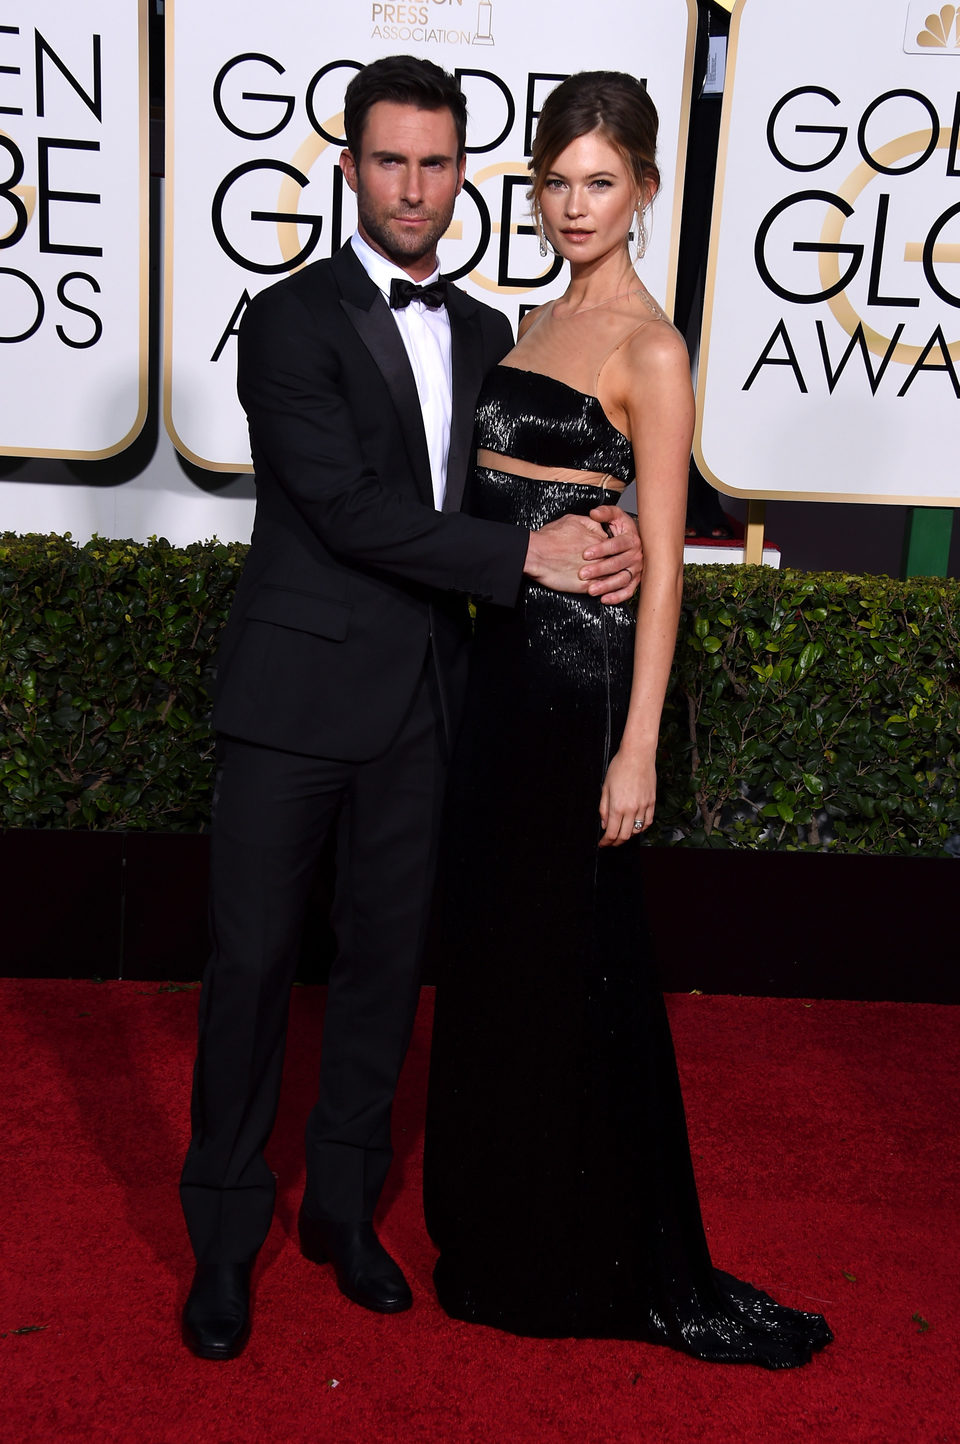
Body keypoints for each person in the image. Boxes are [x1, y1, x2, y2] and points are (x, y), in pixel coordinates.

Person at [178, 55, 643, 1362]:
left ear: (459, 176)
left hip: (429, 703)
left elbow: (522, 494)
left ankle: (342, 1211)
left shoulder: (494, 331)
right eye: (392, 161)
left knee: (387, 976)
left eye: (437, 164)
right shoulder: (286, 320)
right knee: (254, 973)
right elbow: (344, 509)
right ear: (350, 167)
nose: (414, 187)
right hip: (290, 700)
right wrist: (523, 564)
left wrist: (616, 540)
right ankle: (222, 1241)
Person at [423, 70, 833, 1368]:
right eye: (555, 181)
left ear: (646, 191)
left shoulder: (653, 351)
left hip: (583, 693)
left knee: (572, 969)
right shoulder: (531, 318)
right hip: (498, 682)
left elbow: (660, 565)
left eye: (600, 182)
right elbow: (492, 511)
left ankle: (578, 1256)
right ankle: (492, 1229)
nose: (571, 205)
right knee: (493, 962)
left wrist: (639, 742)